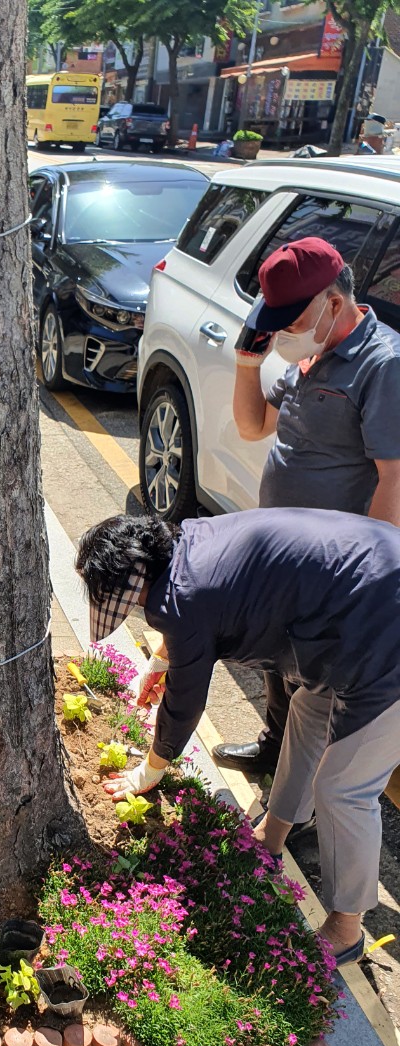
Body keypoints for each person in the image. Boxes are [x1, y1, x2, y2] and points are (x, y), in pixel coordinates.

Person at [75, 508, 400, 966]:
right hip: (363, 594)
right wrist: (164, 660)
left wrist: (150, 770)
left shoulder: (183, 595)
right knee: (308, 711)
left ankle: (346, 928)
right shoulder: (187, 543)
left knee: (344, 787)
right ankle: (273, 831)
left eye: (133, 606)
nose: (138, 615)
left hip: (386, 629)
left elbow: (184, 704)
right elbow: (192, 611)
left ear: (139, 583)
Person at [215, 236, 400, 778]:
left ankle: (305, 807)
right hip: (287, 557)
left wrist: (366, 580)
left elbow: (394, 477)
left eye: (290, 322)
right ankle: (274, 754)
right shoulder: (312, 352)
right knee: (279, 661)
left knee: (317, 691)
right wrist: (248, 362)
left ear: (334, 303)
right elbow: (254, 427)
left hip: (333, 566)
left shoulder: (382, 365)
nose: (282, 334)